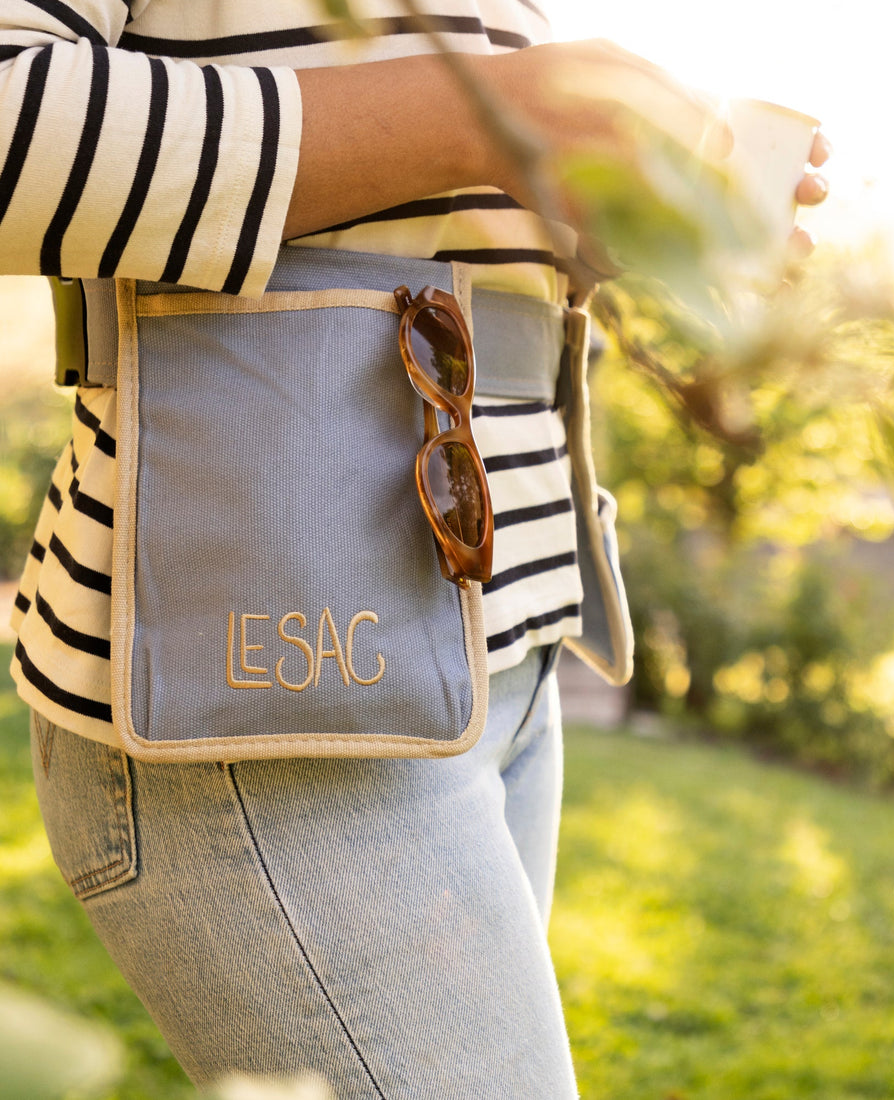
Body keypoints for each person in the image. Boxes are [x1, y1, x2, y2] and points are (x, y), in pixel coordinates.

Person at [1, 1, 829, 1095]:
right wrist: (484, 114)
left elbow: (414, 220)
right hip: (272, 689)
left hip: (499, 645)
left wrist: (615, 210)